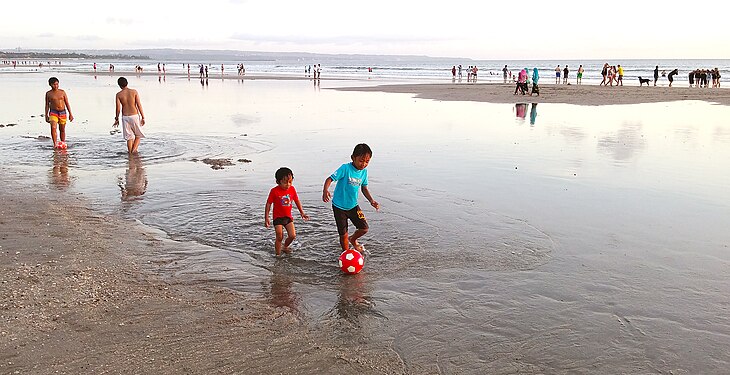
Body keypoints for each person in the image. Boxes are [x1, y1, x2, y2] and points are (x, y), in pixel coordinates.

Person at [322, 143, 380, 253]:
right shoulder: (345, 168)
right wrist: (325, 190)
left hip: (353, 206)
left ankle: (353, 239)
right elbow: (329, 179)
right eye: (361, 160)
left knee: (364, 228)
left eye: (367, 161)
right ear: (353, 158)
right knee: (343, 234)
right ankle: (346, 254)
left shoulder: (364, 172)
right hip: (339, 207)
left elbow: (364, 188)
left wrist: (372, 201)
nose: (363, 164)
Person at [265, 167, 310, 256]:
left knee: (292, 235)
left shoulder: (292, 189)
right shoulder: (274, 191)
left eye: (290, 182)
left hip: (288, 217)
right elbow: (268, 204)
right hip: (277, 217)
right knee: (279, 236)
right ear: (278, 181)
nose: (288, 184)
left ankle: (285, 246)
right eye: (285, 182)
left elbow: (297, 201)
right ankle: (277, 255)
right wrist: (267, 217)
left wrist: (302, 212)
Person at [113, 77, 146, 154]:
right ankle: (133, 153)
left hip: (125, 117)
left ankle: (130, 154)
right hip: (134, 115)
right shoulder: (134, 92)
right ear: (127, 83)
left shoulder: (118, 94)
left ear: (119, 85)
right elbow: (139, 105)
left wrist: (116, 118)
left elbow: (118, 108)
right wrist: (143, 117)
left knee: (129, 137)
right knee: (138, 135)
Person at [44, 77, 74, 149]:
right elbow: (47, 105)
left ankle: (63, 142)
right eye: (54, 84)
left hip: (62, 112)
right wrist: (46, 115)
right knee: (53, 127)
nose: (56, 86)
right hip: (53, 112)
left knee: (62, 129)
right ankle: (55, 144)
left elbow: (67, 103)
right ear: (50, 85)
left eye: (57, 84)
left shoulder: (62, 92)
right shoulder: (48, 94)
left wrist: (70, 114)